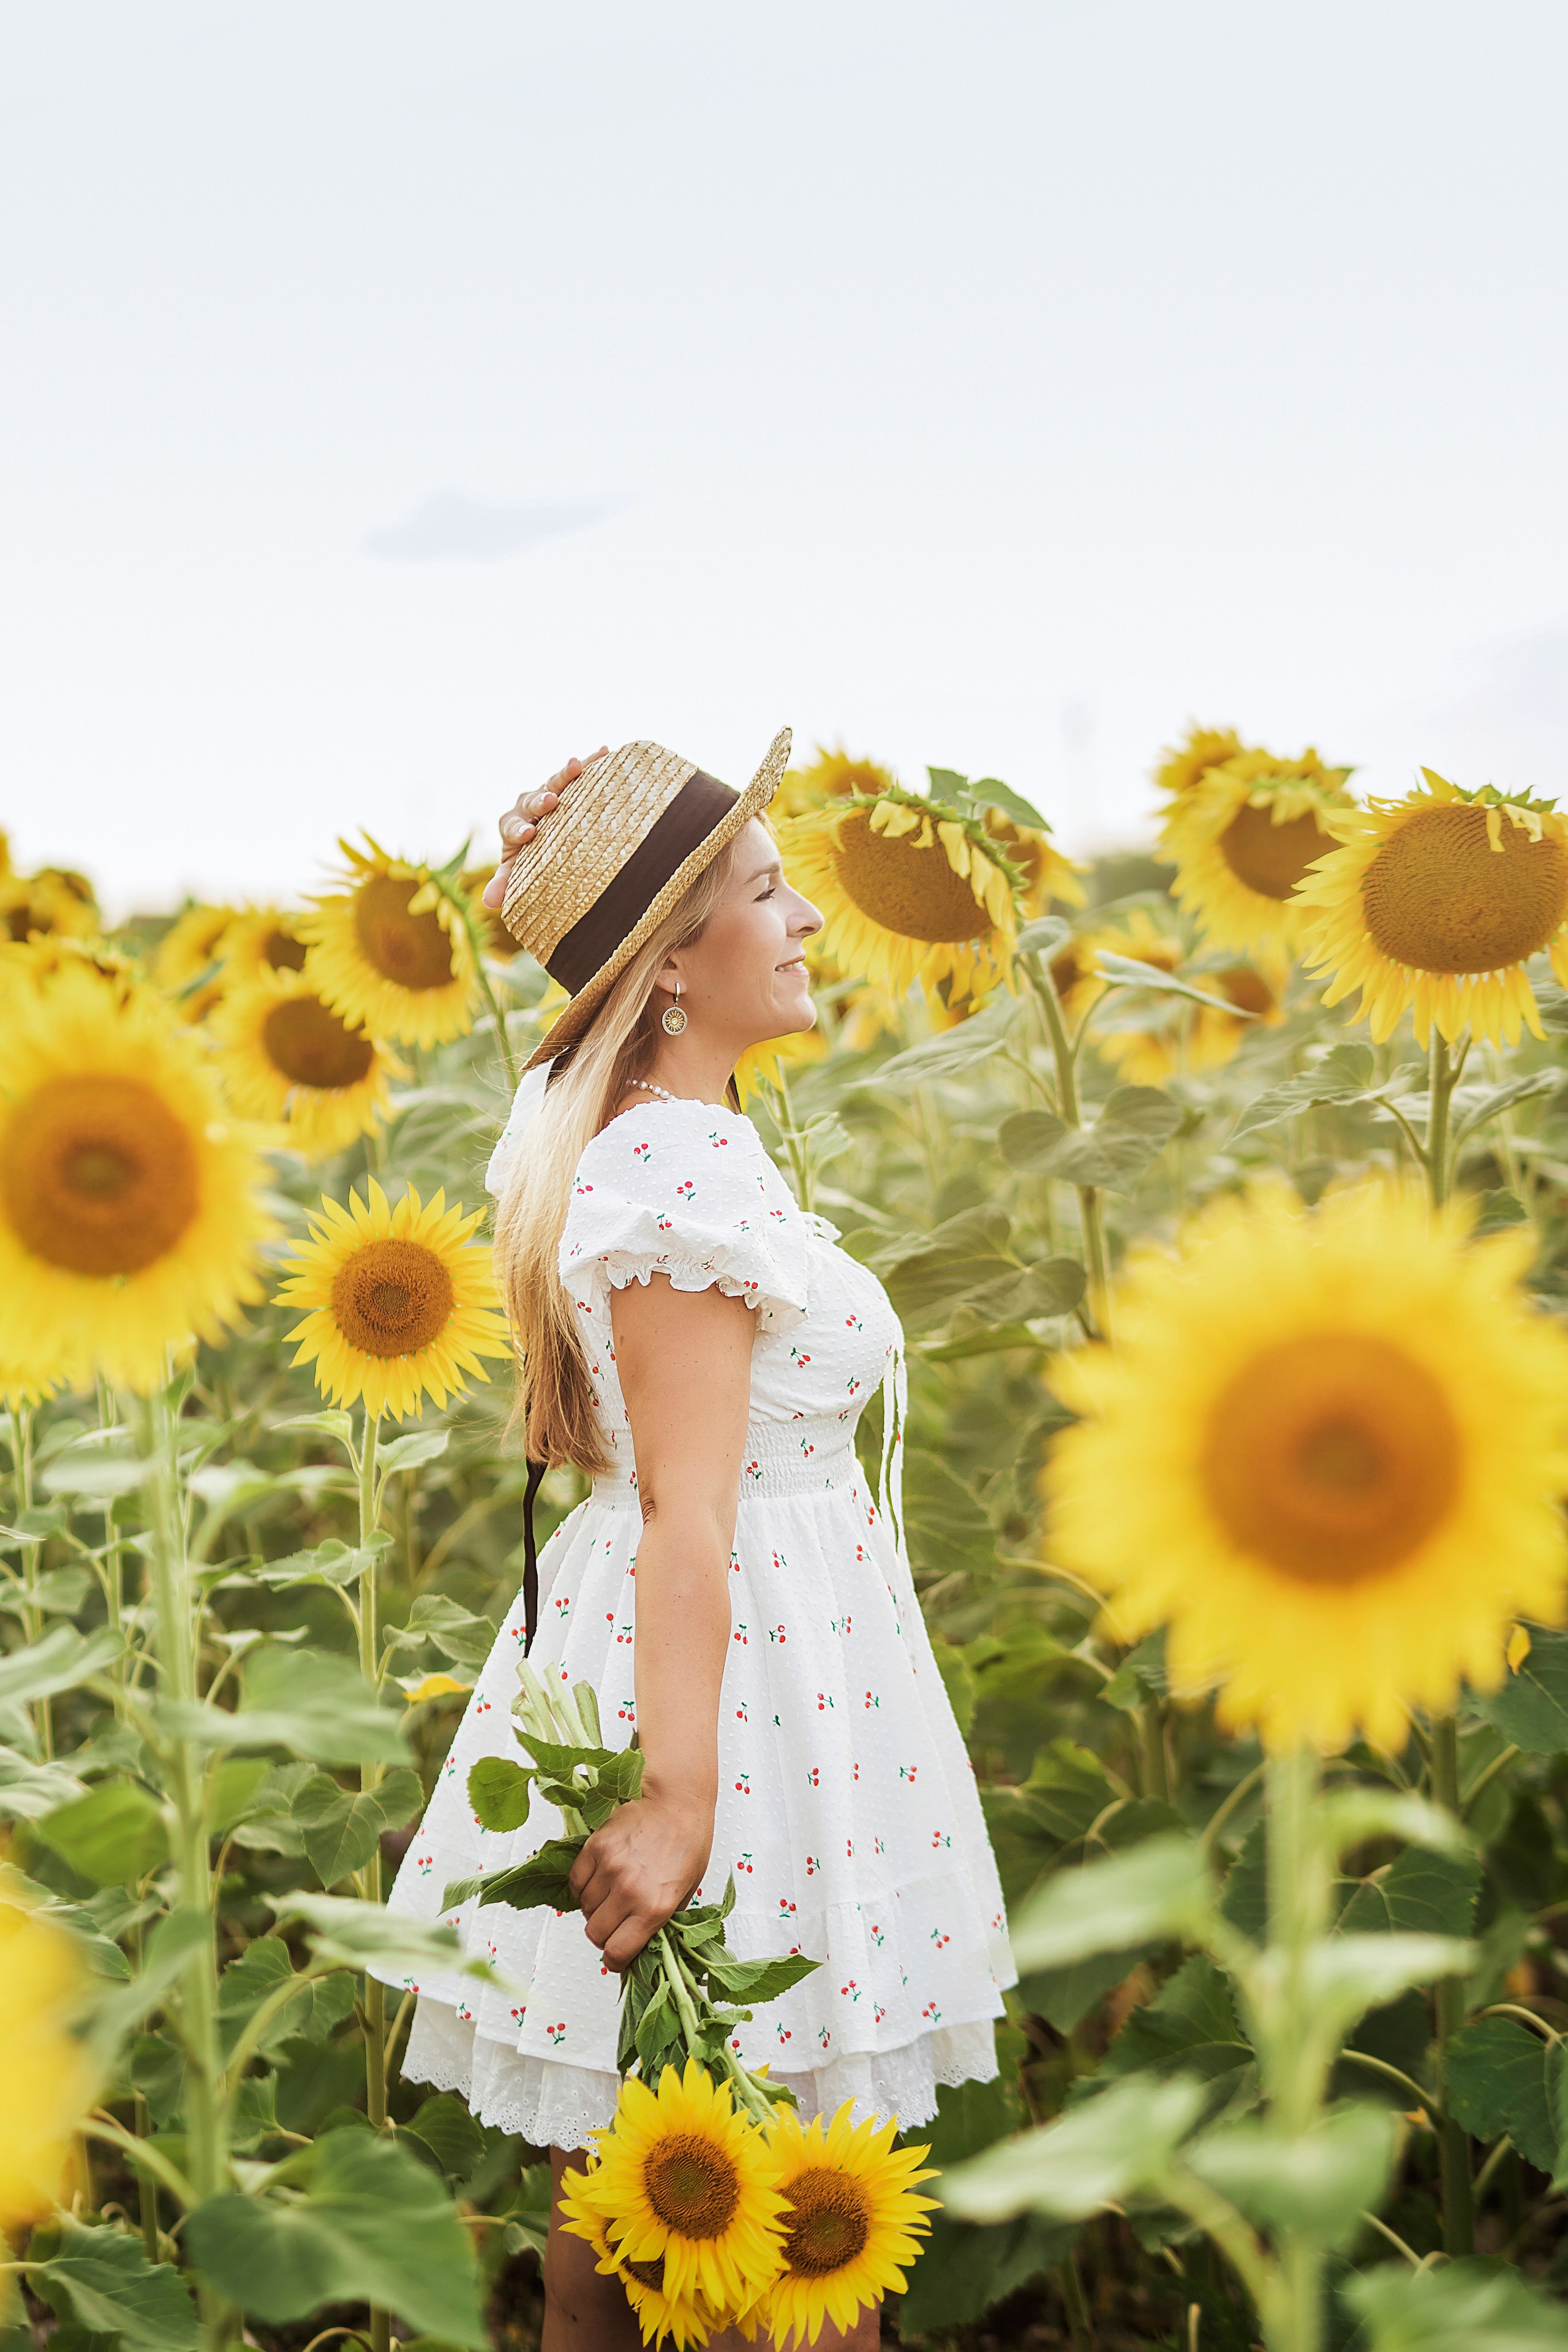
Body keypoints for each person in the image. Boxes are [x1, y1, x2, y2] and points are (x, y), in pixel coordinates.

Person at [382, 734, 1016, 2350]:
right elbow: (689, 1508)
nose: (808, 917)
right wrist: (679, 1801)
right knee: (780, 2231)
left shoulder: (636, 1132)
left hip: (707, 1661)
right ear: (669, 964)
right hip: (730, 1701)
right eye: (763, 888)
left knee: (635, 2193)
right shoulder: (677, 1157)